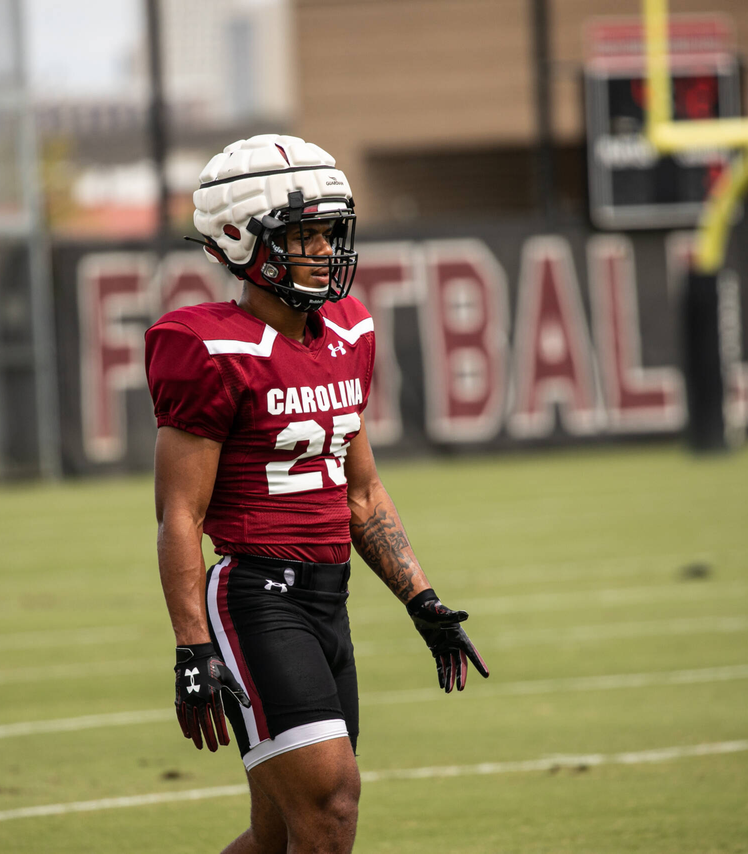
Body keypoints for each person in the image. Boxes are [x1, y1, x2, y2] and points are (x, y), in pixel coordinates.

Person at [145, 134, 489, 854]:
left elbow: (360, 494)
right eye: (302, 235)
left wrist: (421, 599)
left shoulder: (347, 331)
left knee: (282, 835)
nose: (325, 251)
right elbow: (181, 513)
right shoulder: (208, 347)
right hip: (255, 597)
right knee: (332, 809)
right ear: (240, 241)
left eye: (329, 232)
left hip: (328, 599)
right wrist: (191, 645)